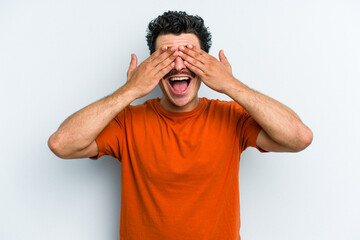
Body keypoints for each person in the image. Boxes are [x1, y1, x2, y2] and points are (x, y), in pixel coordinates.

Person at [48, 11, 313, 240]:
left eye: (188, 56)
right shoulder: (127, 121)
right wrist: (129, 91)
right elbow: (61, 144)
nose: (177, 66)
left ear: (206, 64)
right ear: (151, 66)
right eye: (165, 58)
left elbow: (299, 137)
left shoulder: (231, 118)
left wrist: (230, 85)